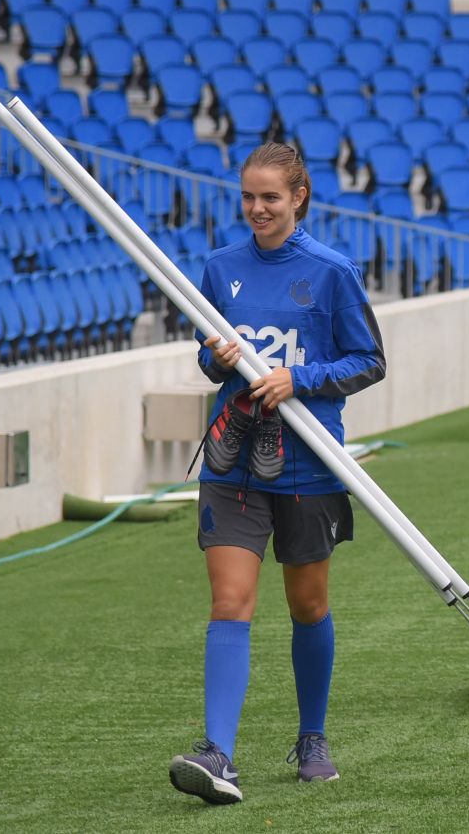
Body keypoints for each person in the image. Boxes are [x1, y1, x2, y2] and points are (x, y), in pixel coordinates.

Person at [168, 143, 386, 803]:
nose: (259, 209)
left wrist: (301, 378)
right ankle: (219, 754)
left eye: (271, 197)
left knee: (308, 604)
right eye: (249, 197)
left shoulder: (331, 272)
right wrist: (218, 358)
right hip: (234, 462)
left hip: (309, 465)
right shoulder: (219, 269)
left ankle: (312, 735)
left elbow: (369, 360)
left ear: (299, 197)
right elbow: (207, 364)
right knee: (230, 600)